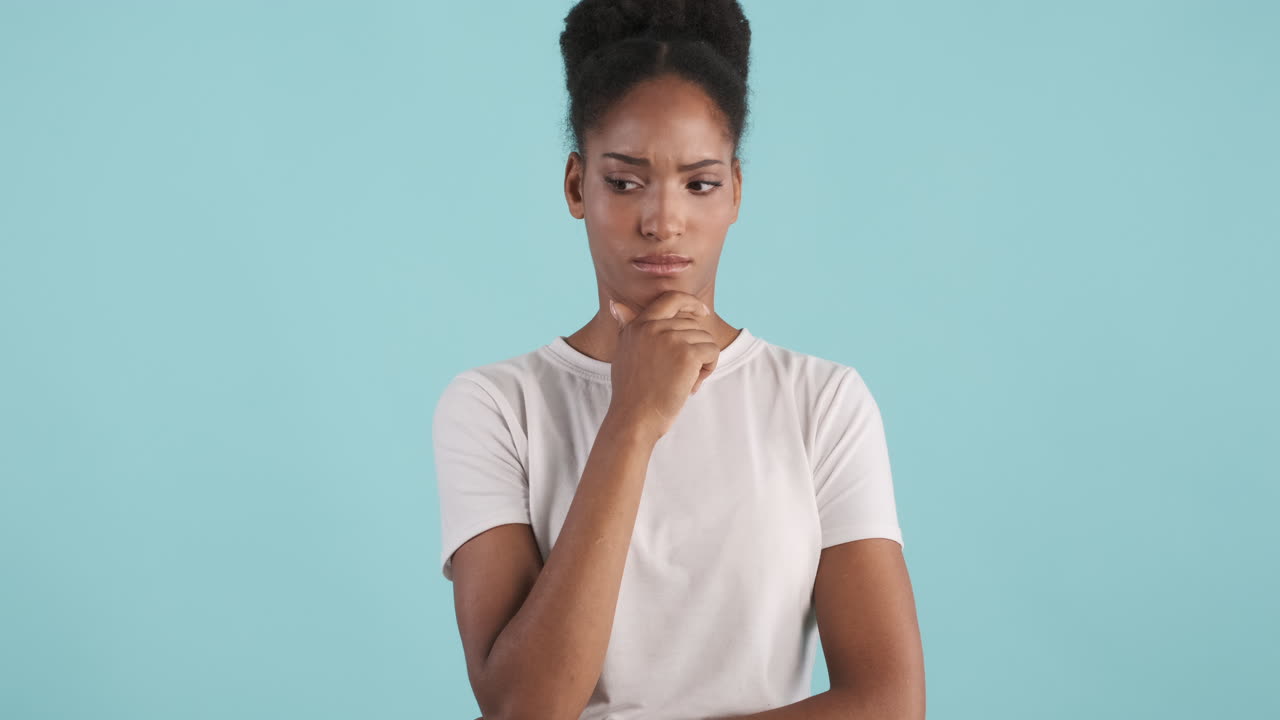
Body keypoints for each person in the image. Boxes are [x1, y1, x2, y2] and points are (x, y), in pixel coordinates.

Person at [433, 1, 925, 718]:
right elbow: (521, 708)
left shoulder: (822, 402)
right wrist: (632, 418)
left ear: (736, 193)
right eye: (626, 181)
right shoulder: (495, 407)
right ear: (577, 186)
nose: (664, 220)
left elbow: (889, 703)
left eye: (699, 183)